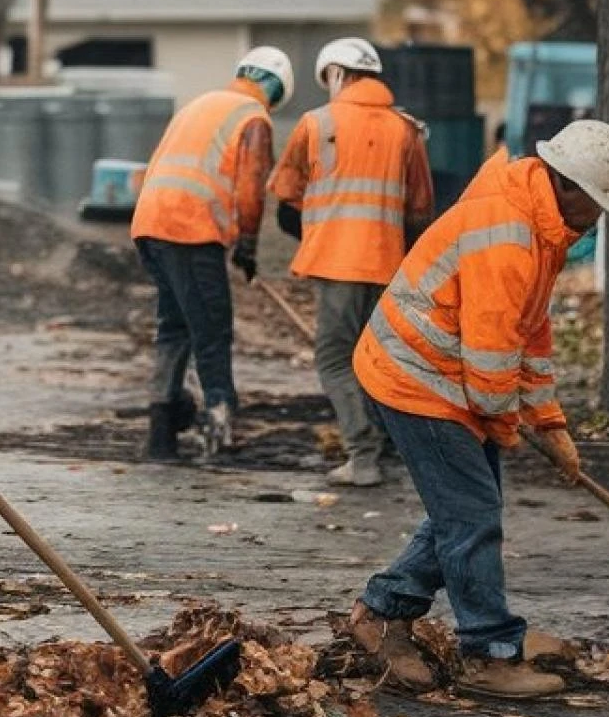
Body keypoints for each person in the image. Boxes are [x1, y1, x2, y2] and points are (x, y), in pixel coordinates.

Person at [344, 119, 609, 699]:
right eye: (597, 204)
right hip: (416, 379)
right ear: (566, 184)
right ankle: (490, 653)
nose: (598, 218)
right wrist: (507, 427)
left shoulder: (541, 227)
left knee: (466, 508)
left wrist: (552, 425)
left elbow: (532, 336)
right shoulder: (509, 237)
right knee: (471, 514)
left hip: (446, 377)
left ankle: (380, 610)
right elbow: (492, 356)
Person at [268, 38, 435, 488]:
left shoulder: (315, 123)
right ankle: (388, 447)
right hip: (386, 267)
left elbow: (285, 191)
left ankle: (363, 456)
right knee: (374, 360)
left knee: (335, 360)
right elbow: (421, 207)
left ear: (337, 73)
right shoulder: (407, 130)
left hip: (335, 264)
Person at [130, 45, 294, 462]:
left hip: (151, 224)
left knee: (176, 325)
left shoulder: (199, 104)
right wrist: (249, 245)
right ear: (275, 89)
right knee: (212, 329)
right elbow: (250, 190)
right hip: (190, 228)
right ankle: (218, 425)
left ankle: (161, 432)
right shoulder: (253, 118)